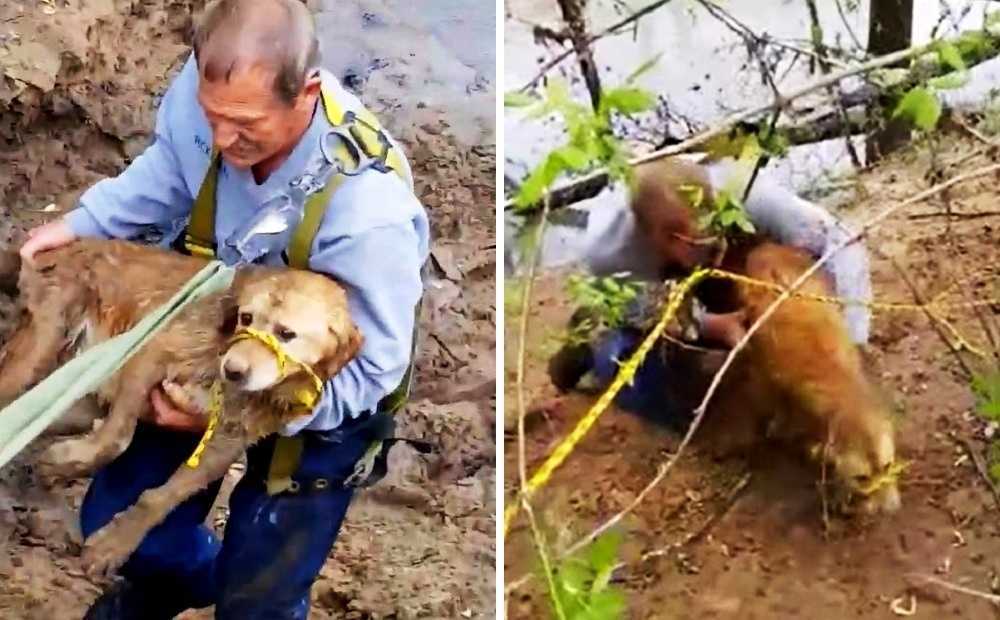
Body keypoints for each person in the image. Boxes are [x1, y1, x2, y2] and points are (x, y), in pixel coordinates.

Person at [20, 1, 428, 618]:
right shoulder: (207, 92)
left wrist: (240, 412)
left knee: (257, 593)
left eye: (244, 125)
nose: (221, 139)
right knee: (120, 524)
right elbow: (170, 165)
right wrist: (85, 222)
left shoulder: (371, 215)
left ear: (307, 92)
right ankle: (172, 584)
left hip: (323, 394)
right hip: (221, 328)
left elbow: (377, 373)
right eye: (212, 117)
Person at [548, 156, 872, 423]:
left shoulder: (746, 193)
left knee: (781, 267)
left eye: (694, 228)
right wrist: (714, 326)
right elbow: (640, 309)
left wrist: (851, 340)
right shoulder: (610, 251)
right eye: (671, 236)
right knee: (638, 374)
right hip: (650, 290)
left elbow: (841, 244)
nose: (686, 242)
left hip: (725, 261)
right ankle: (585, 345)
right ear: (646, 232)